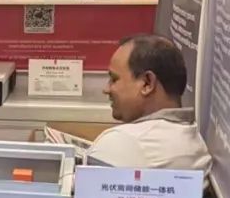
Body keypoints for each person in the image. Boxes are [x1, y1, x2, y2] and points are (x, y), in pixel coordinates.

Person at [89, 34, 211, 173]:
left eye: (114, 79)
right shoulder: (193, 141)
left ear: (147, 83)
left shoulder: (124, 142)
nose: (106, 89)